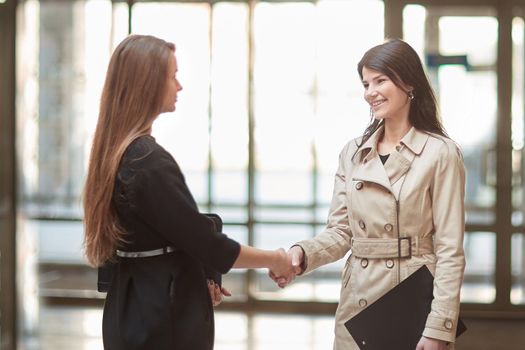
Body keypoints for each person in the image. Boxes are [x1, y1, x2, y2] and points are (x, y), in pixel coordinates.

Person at [83, 34, 293, 350]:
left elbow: (163, 230)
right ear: (147, 84)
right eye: (172, 76)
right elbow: (208, 244)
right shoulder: (147, 161)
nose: (179, 86)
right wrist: (275, 259)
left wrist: (202, 274)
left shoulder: (115, 153)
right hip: (161, 313)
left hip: (129, 306)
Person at [272, 38, 466, 350]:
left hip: (412, 301)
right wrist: (302, 253)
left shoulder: (440, 152)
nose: (370, 92)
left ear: (409, 83)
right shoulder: (353, 152)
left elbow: (449, 249)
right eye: (365, 83)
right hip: (358, 304)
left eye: (380, 80)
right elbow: (340, 231)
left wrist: (439, 327)